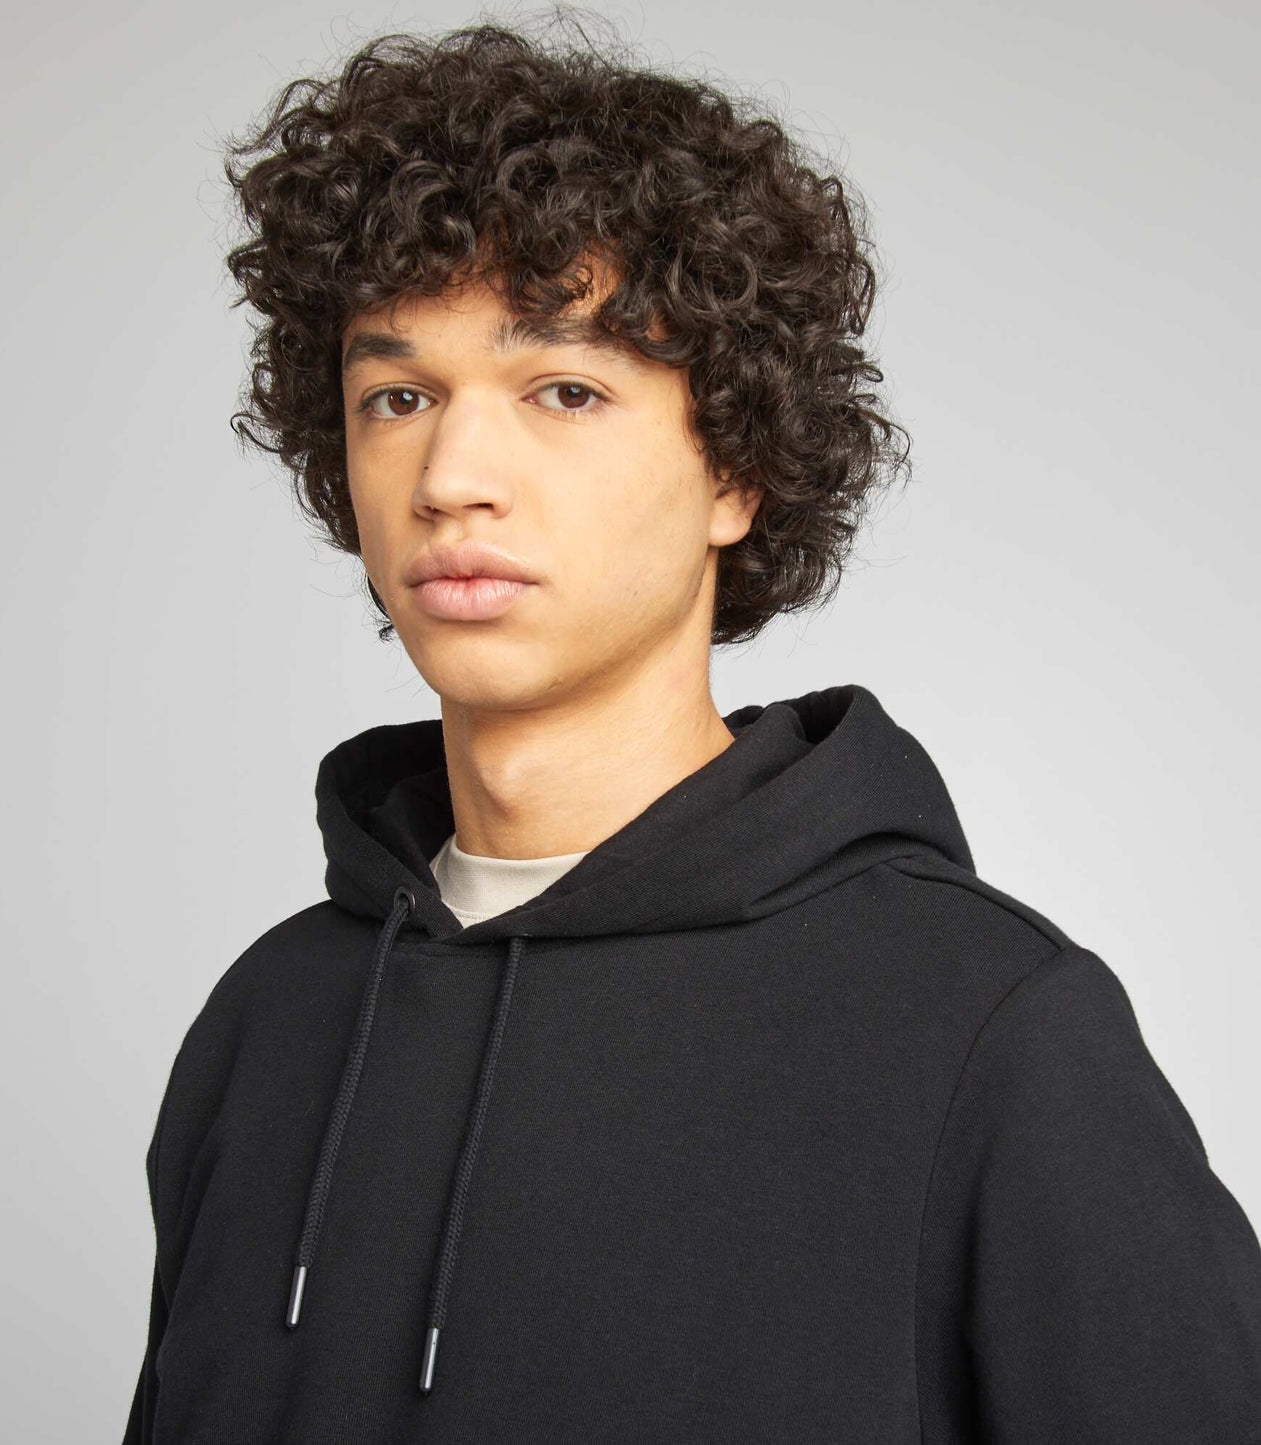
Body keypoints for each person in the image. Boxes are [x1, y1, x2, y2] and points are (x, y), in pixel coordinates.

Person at [122, 14, 1261, 1442]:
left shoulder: (989, 1028)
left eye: (564, 390)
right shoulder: (270, 1019)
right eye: (396, 397)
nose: (451, 474)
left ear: (735, 467)